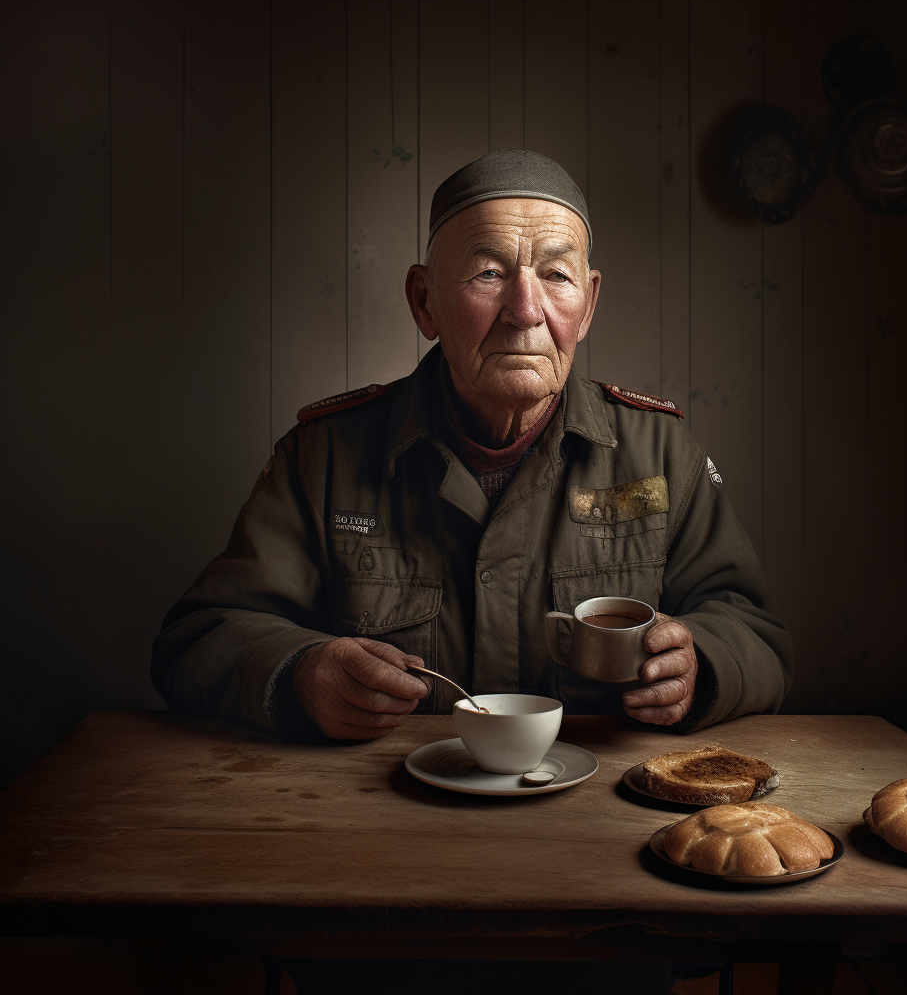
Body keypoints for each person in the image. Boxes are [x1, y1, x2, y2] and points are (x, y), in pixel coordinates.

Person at [153, 150, 792, 748]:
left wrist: (698, 666)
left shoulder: (661, 456)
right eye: (488, 273)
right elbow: (198, 640)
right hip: (387, 824)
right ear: (425, 301)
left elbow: (755, 633)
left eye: (556, 275)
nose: (525, 309)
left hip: (602, 820)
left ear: (588, 303)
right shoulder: (321, 459)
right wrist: (299, 674)